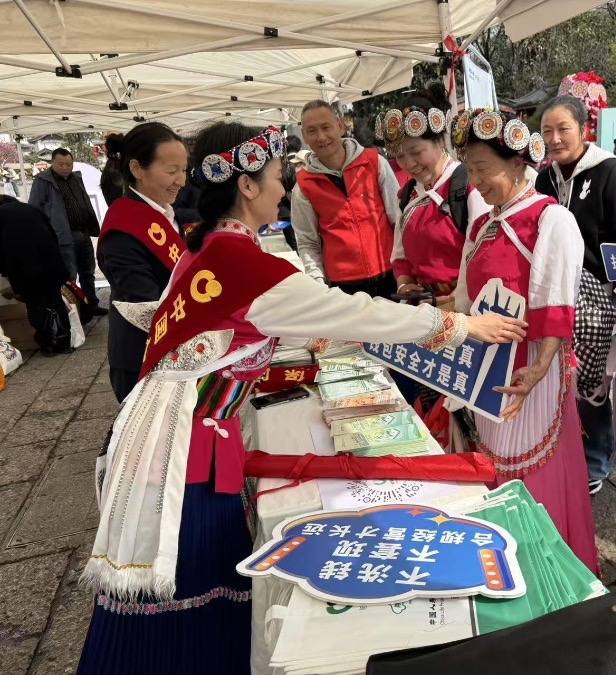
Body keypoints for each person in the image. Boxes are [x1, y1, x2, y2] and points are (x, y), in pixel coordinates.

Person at [77, 121, 526, 675]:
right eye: (275, 176)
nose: (284, 188)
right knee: (185, 580)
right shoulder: (246, 264)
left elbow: (234, 330)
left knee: (185, 582)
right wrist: (460, 326)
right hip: (185, 452)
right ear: (246, 186)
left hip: (169, 432)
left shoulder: (208, 250)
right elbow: (358, 312)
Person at [451, 108, 599, 574]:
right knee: (496, 460)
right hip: (488, 364)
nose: (476, 182)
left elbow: (556, 303)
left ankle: (544, 570)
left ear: (518, 163)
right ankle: (506, 563)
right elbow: (463, 298)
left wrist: (538, 369)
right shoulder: (482, 224)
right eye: (470, 170)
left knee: (531, 468)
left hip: (531, 363)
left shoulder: (551, 219)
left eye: (483, 169)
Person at [536, 95, 616, 495]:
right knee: (559, 379)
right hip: (558, 295)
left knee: (593, 383)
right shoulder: (544, 179)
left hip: (600, 299)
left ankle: (595, 461)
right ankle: (563, 453)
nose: (555, 139)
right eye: (547, 131)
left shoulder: (610, 172)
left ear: (583, 129)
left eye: (563, 129)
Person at [375, 84, 489, 309]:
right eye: (399, 156)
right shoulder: (407, 196)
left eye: (416, 152)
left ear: (440, 140)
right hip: (427, 307)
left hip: (468, 304)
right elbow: (400, 256)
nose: (409, 164)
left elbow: (485, 253)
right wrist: (405, 285)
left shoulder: (468, 186)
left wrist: (456, 298)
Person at [97, 122, 188, 402]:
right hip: (143, 359)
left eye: (184, 170)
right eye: (171, 171)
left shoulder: (167, 214)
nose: (181, 181)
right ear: (137, 169)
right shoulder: (123, 229)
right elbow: (146, 305)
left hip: (176, 352)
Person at [291, 100, 401, 298]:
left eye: (326, 127)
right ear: (304, 136)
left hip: (391, 274)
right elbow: (307, 242)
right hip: (343, 285)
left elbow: (398, 218)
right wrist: (318, 283)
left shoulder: (373, 163)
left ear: (340, 126)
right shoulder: (304, 186)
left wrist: (406, 268)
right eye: (312, 131)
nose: (321, 137)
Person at [29, 148, 107, 316]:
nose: (65, 168)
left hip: (83, 232)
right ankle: (73, 312)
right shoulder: (43, 181)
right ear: (52, 163)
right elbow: (35, 209)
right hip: (63, 235)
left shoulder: (75, 178)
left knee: (88, 272)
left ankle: (91, 305)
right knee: (69, 276)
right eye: (61, 164)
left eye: (69, 164)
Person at [0, 195, 72, 355]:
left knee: (35, 305)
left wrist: (5, 271)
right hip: (50, 264)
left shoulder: (2, 216)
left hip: (24, 270)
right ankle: (64, 342)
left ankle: (48, 344)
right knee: (55, 301)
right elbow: (53, 236)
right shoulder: (33, 209)